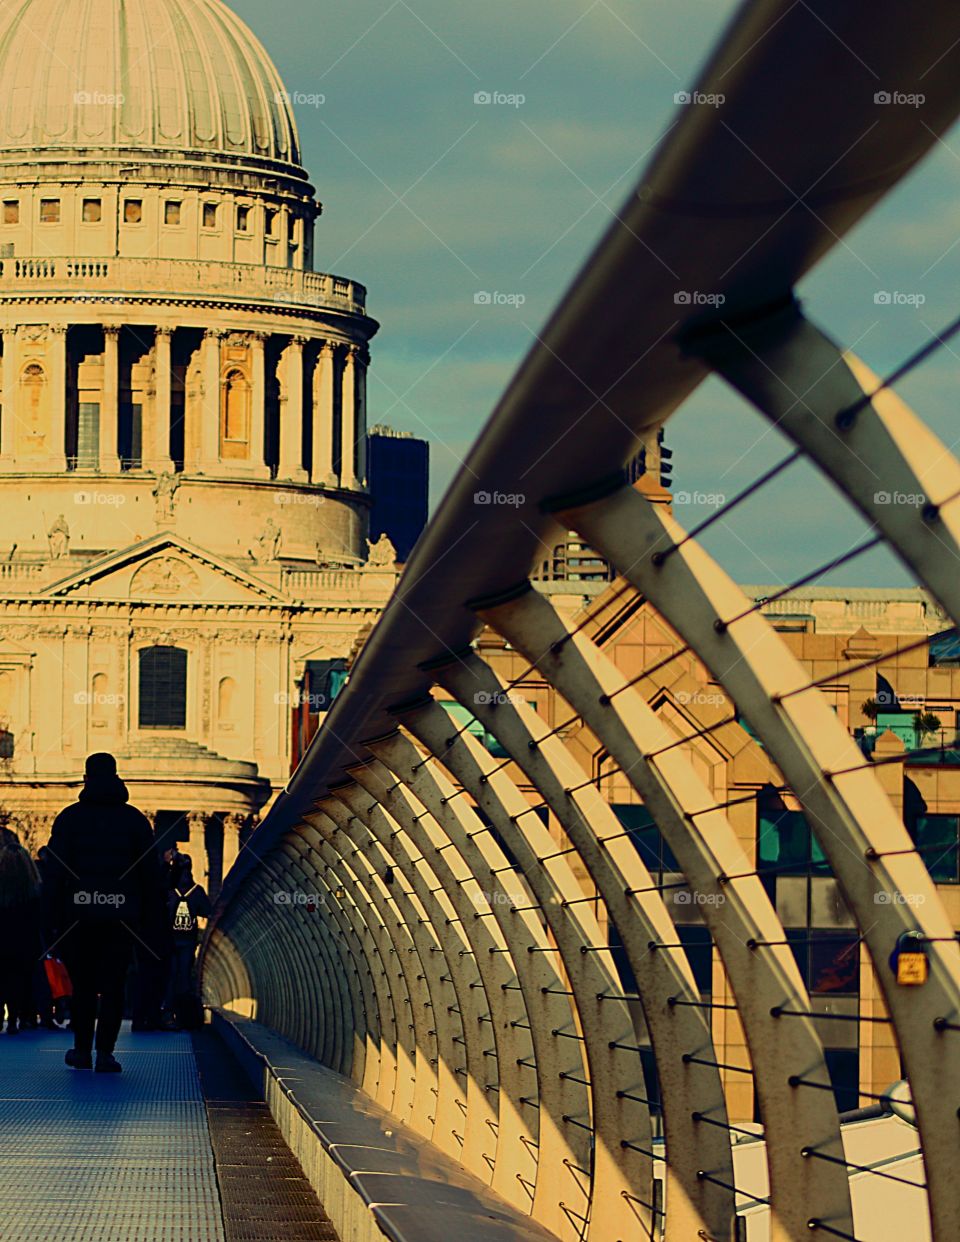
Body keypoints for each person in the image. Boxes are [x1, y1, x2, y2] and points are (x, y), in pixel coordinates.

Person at [45, 753, 163, 1073]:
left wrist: (53, 920)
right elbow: (150, 876)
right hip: (121, 918)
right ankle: (106, 1054)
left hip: (79, 917)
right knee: (113, 983)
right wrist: (149, 921)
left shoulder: (70, 819)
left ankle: (82, 1050)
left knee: (82, 985)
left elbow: (55, 873)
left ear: (86, 778)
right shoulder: (134, 820)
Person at [0, 829, 43, 1035]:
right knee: (24, 979)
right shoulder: (34, 891)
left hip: (3, 941)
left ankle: (6, 1017)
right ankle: (22, 1017)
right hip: (27, 942)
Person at [163, 853, 211, 1030]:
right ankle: (183, 1015)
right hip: (187, 940)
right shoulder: (196, 891)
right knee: (183, 976)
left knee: (171, 976)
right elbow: (208, 911)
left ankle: (168, 1013)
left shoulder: (169, 891)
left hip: (171, 940)